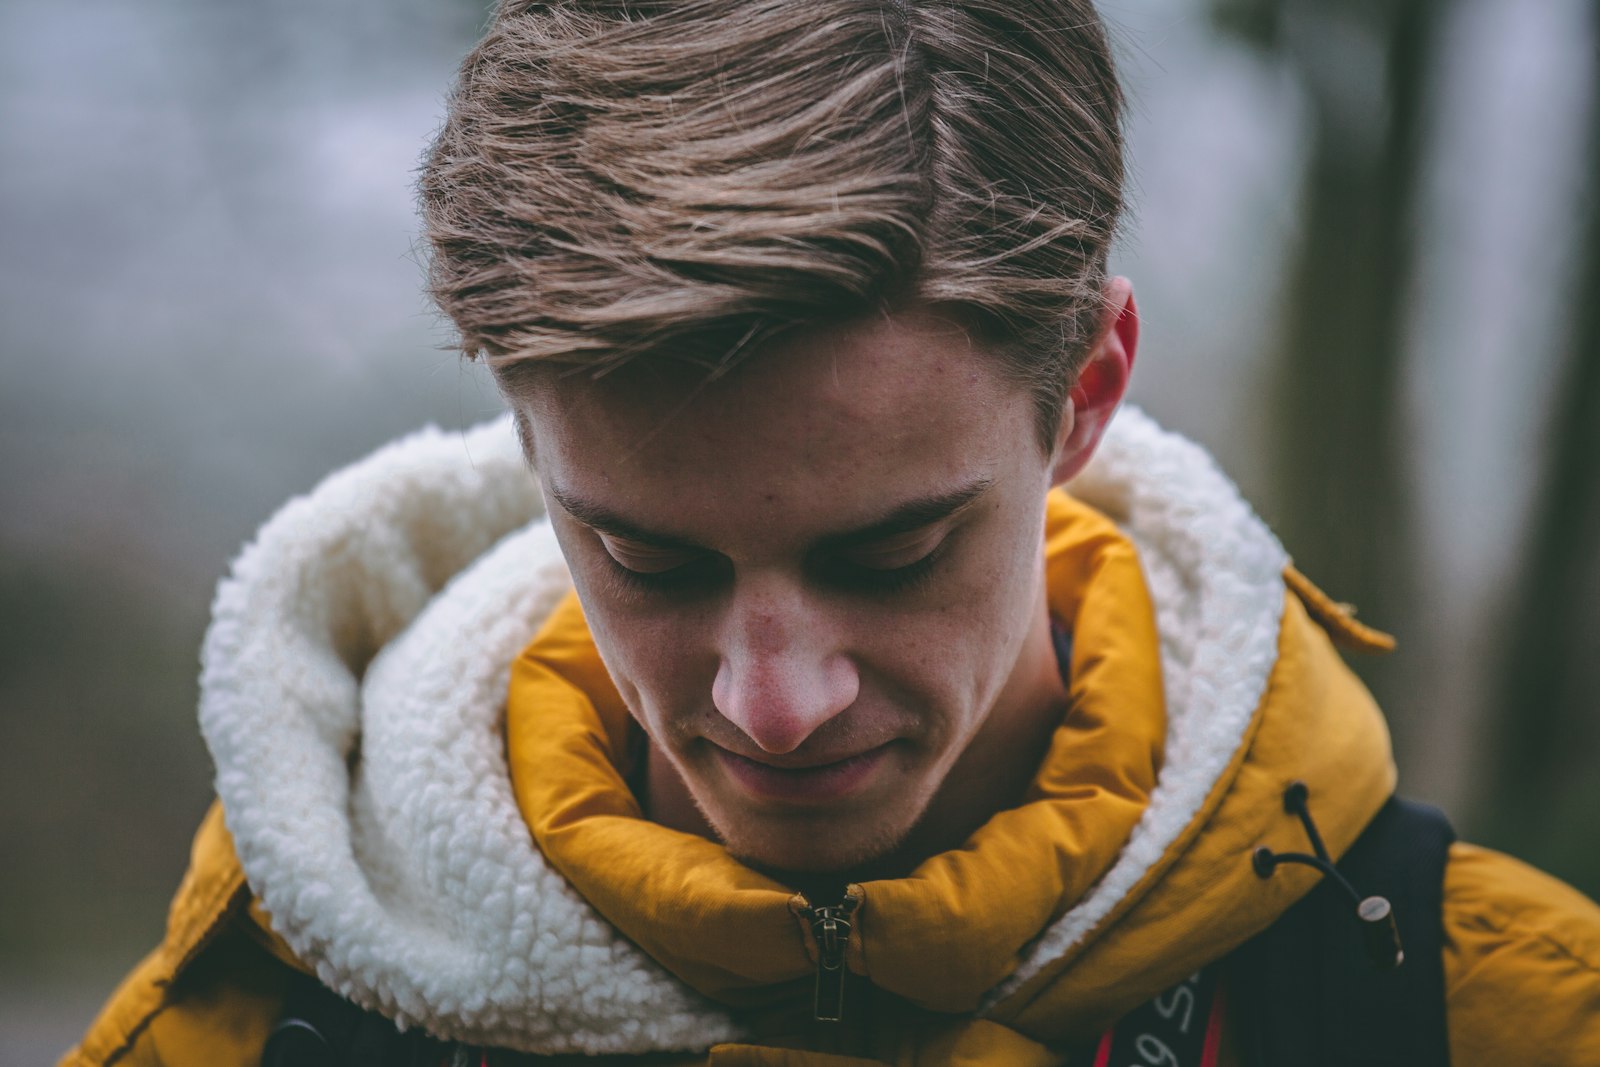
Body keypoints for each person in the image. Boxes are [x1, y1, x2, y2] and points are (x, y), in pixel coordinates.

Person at [64, 0, 1600, 1064]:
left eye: (891, 554)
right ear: (526, 442)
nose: (770, 704)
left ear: (1085, 392)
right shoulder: (278, 1018)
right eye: (648, 560)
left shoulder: (1488, 1014)